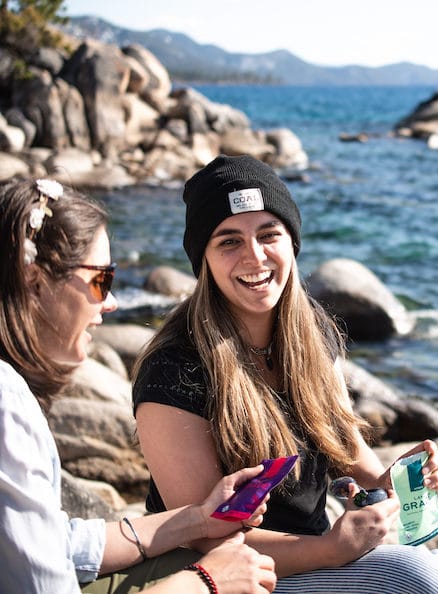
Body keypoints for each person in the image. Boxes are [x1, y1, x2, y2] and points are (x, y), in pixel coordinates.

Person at [132, 155, 438, 594]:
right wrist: (333, 549)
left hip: (314, 551)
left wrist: (390, 480)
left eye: (268, 234)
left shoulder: (310, 331)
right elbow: (201, 533)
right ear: (204, 259)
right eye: (229, 241)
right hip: (223, 574)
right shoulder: (174, 369)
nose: (255, 256)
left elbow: (341, 442)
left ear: (291, 242)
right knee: (418, 581)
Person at [0, 177, 277, 594]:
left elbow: (60, 544)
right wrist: (208, 581)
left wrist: (198, 518)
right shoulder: (7, 406)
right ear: (35, 282)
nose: (110, 301)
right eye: (101, 280)